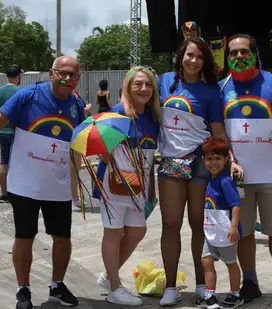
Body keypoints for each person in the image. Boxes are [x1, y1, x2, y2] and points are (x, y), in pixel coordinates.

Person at [0, 56, 83, 309]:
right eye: (62, 73)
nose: (68, 79)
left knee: (62, 238)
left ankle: (57, 286)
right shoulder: (27, 96)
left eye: (74, 75)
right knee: (24, 236)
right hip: (25, 183)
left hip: (58, 185)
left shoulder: (76, 104)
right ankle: (23, 290)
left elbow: (79, 141)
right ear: (51, 73)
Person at [220, 34, 272, 307]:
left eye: (244, 51)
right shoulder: (221, 88)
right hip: (238, 177)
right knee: (243, 232)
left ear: (254, 54)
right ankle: (250, 282)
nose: (238, 57)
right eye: (233, 53)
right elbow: (216, 129)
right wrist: (228, 158)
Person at [157, 38, 242, 307]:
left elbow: (217, 131)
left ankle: (202, 285)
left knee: (198, 224)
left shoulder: (210, 91)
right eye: (190, 55)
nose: (194, 61)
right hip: (170, 161)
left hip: (199, 163)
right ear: (181, 55)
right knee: (170, 224)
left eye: (200, 57)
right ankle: (170, 287)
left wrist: (232, 160)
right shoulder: (163, 81)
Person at [93, 66, 161, 305]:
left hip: (139, 187)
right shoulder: (118, 112)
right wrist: (104, 154)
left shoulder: (153, 116)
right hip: (115, 185)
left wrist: (151, 189)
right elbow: (99, 146)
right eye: (138, 84)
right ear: (128, 87)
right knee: (113, 232)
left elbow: (151, 157)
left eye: (148, 84)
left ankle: (108, 275)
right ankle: (114, 287)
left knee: (137, 230)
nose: (143, 88)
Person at [201, 137, 244, 309]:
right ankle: (209, 293)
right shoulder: (210, 180)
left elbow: (235, 205)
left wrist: (233, 227)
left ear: (225, 160)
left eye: (217, 158)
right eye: (209, 159)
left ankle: (235, 294)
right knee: (206, 261)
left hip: (226, 230)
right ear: (204, 160)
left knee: (231, 262)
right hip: (210, 230)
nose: (213, 163)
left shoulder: (225, 181)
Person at [0, 65, 22, 203]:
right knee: (17, 163)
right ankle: (16, 192)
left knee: (4, 163)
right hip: (17, 132)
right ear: (18, 76)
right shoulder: (20, 92)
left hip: (2, 132)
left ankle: (4, 194)